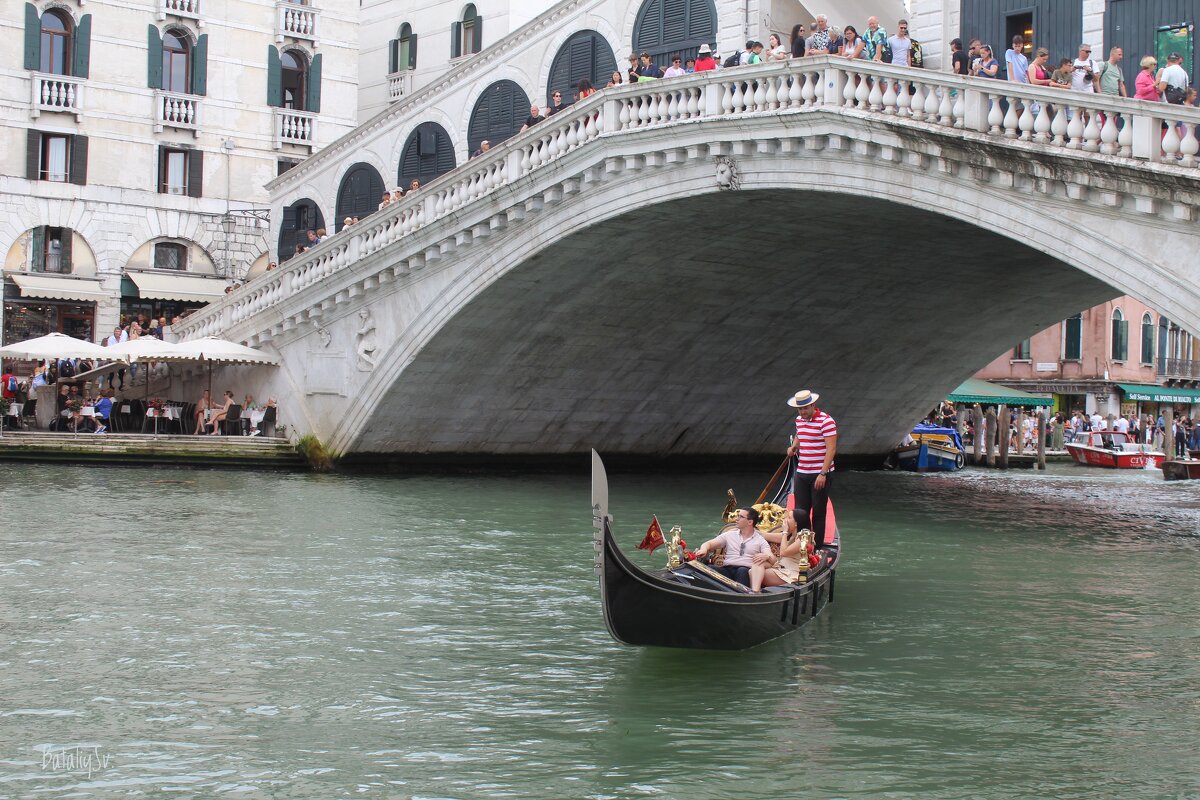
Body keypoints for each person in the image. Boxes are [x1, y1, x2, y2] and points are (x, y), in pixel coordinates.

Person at [786, 389, 837, 548]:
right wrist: (794, 447)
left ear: (813, 405)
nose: (802, 412)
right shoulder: (799, 420)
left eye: (805, 408)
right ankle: (802, 546)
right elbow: (799, 434)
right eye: (800, 409)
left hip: (819, 473)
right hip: (802, 472)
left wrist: (823, 473)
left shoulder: (826, 421)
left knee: (819, 513)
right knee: (800, 513)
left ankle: (817, 548)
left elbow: (831, 449)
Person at [692, 507, 771, 588]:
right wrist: (704, 549)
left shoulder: (760, 540)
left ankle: (742, 596)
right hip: (727, 570)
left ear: (750, 522)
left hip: (745, 571)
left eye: (741, 517)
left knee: (742, 571)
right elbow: (708, 544)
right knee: (710, 568)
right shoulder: (729, 535)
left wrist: (766, 556)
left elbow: (772, 558)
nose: (737, 519)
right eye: (738, 516)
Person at [749, 514, 809, 593]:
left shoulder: (803, 538)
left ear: (796, 523)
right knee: (757, 563)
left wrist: (784, 532)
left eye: (789, 517)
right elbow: (763, 535)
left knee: (755, 574)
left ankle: (755, 593)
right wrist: (745, 528)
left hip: (792, 573)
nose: (785, 519)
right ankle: (756, 592)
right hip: (780, 567)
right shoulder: (789, 536)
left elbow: (783, 553)